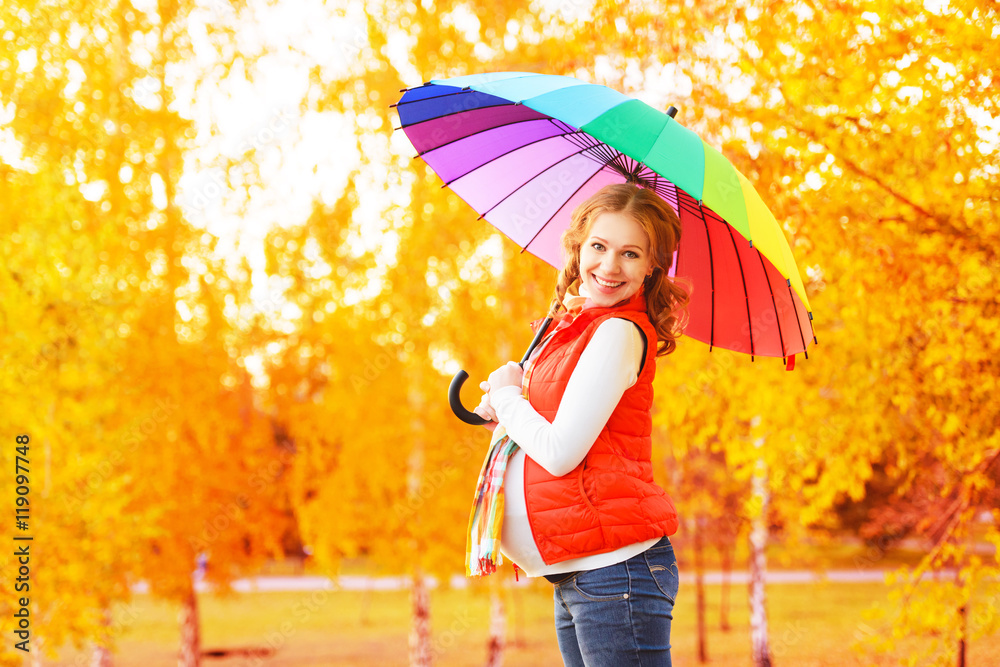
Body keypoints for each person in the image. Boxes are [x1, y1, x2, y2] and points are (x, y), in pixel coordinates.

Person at [468, 182, 688, 666]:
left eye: (631, 253)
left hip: (615, 574)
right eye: (599, 246)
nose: (610, 266)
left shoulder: (617, 333)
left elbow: (561, 451)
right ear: (578, 246)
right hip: (584, 575)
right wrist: (507, 416)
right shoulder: (573, 329)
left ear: (652, 266)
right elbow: (557, 435)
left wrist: (508, 398)